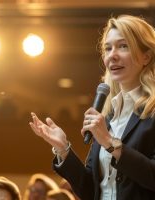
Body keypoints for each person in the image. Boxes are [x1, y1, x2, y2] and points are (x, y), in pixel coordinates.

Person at [29, 14, 155, 200]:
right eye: (108, 48)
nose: (112, 55)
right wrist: (63, 149)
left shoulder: (151, 112)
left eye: (123, 46)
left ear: (146, 56)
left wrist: (110, 143)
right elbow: (91, 190)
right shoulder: (108, 115)